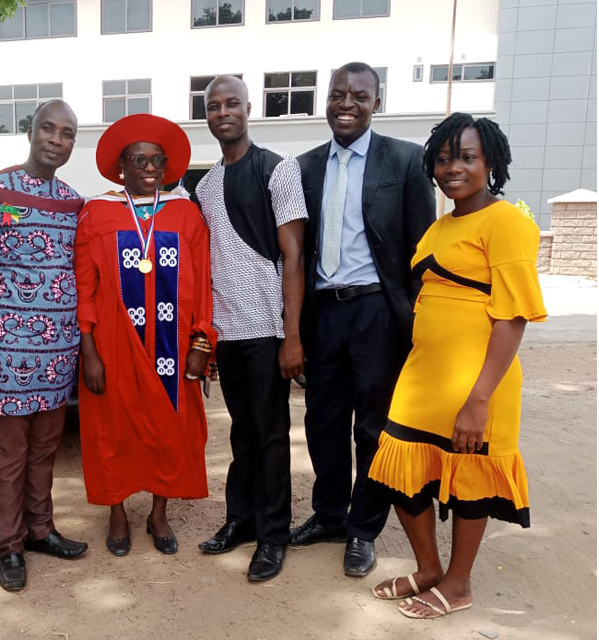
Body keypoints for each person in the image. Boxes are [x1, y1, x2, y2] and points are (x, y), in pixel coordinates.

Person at [367, 113, 545, 618]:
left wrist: (480, 398)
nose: (454, 167)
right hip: (423, 377)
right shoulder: (440, 226)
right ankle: (428, 568)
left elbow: (512, 316)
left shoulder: (507, 222)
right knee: (402, 469)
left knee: (469, 479)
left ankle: (459, 584)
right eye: (444, 158)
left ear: (490, 161)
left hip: (478, 381)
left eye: (467, 157)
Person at [292, 62, 436, 577]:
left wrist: (417, 322)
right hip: (322, 311)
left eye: (358, 95)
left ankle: (362, 529)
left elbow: (423, 250)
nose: (346, 103)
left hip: (378, 311)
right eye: (337, 94)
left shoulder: (406, 159)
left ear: (377, 102)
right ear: (325, 101)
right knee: (322, 421)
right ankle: (328, 515)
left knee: (372, 427)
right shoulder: (304, 166)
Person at [0, 99, 88, 592]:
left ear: (72, 143)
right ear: (30, 132)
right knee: (9, 453)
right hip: (10, 349)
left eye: (67, 133)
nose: (56, 139)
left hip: (60, 348)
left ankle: (41, 529)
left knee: (46, 447)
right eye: (48, 128)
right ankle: (8, 543)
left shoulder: (74, 203)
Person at [75, 114, 216, 557]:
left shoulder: (186, 214)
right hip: (114, 347)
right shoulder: (97, 212)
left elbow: (204, 283)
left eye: (157, 160)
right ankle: (117, 511)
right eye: (139, 159)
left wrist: (201, 343)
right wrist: (89, 350)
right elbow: (84, 286)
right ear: (122, 167)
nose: (150, 167)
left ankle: (159, 512)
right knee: (111, 430)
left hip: (172, 349)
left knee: (169, 429)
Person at [193, 75, 307, 583]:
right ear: (207, 115)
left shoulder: (278, 169)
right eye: (213, 105)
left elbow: (294, 256)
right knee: (240, 433)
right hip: (228, 331)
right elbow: (210, 263)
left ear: (248, 108)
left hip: (267, 327)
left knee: (270, 435)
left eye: (232, 103)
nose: (223, 112)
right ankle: (239, 519)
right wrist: (207, 338)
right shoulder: (205, 185)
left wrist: (293, 334)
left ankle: (273, 534)